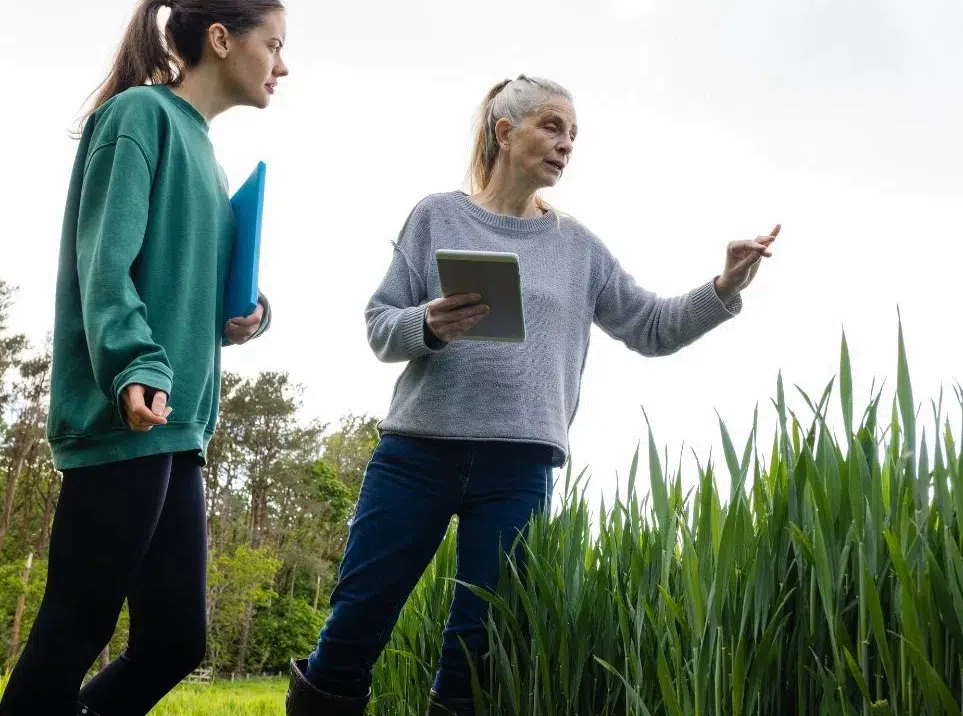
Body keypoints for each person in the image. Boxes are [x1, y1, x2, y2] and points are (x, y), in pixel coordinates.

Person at [284, 74, 778, 716]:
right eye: (552, 126)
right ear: (503, 131)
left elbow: (652, 328)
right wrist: (427, 325)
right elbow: (382, 327)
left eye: (573, 134)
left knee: (478, 653)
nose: (566, 143)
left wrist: (724, 285)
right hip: (417, 456)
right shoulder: (436, 214)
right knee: (356, 624)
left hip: (519, 467)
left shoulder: (578, 247)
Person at [0, 0, 289, 714]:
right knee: (75, 624)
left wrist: (247, 312)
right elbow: (106, 262)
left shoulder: (208, 158)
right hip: (126, 413)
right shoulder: (139, 118)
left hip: (176, 424)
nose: (284, 66)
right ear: (221, 40)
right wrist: (135, 363)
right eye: (273, 45)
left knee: (174, 640)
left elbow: (184, 288)